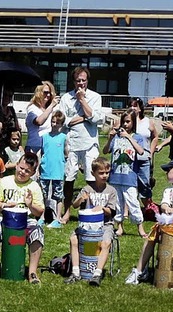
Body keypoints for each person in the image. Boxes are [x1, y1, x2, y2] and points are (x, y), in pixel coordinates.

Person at [125, 156, 173, 287]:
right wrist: (168, 209)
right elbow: (164, 206)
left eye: (169, 170)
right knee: (150, 239)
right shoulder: (168, 190)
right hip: (167, 226)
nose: (166, 173)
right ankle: (139, 271)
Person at [0, 152, 44, 283]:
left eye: (27, 171)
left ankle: (32, 272)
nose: (22, 172)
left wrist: (30, 204)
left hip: (26, 219)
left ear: (33, 173)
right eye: (21, 168)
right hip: (3, 217)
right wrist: (5, 205)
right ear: (16, 165)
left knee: (37, 232)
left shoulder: (34, 186)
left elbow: (40, 211)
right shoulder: (4, 181)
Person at [64, 157, 118, 287]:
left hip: (105, 224)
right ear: (93, 173)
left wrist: (102, 209)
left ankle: (97, 274)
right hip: (86, 225)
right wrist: (81, 199)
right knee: (73, 239)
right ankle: (76, 272)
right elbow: (75, 206)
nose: (104, 175)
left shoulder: (111, 191)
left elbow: (112, 212)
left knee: (105, 243)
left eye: (107, 172)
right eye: (101, 173)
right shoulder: (87, 189)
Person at [59, 67, 103, 225]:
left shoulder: (95, 97)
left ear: (87, 81)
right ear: (74, 81)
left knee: (92, 178)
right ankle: (67, 211)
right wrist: (84, 117)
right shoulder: (66, 98)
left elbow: (96, 118)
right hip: (72, 143)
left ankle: (90, 209)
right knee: (69, 178)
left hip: (90, 143)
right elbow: (64, 120)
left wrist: (83, 101)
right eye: (78, 80)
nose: (81, 83)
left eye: (84, 80)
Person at [103, 109, 147, 237]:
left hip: (129, 177)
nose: (125, 124)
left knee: (133, 202)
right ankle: (119, 226)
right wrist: (110, 137)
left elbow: (141, 151)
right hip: (115, 176)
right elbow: (106, 151)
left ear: (133, 122)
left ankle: (140, 227)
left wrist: (128, 137)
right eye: (124, 122)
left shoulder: (137, 137)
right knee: (118, 203)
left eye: (128, 122)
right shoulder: (116, 136)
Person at [40, 111, 68, 228]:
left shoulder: (63, 137)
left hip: (58, 171)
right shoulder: (44, 137)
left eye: (57, 122)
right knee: (43, 194)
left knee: (58, 195)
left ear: (62, 124)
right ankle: (42, 217)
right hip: (45, 170)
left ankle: (57, 218)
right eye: (53, 121)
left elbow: (66, 152)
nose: (54, 124)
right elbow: (41, 152)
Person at [130, 96, 159, 207]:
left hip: (144, 157)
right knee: (130, 183)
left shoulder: (148, 122)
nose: (133, 108)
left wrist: (151, 152)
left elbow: (155, 137)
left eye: (135, 106)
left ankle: (148, 208)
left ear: (140, 108)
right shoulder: (127, 121)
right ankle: (127, 211)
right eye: (130, 106)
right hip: (130, 157)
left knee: (145, 183)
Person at [25, 81, 59, 154]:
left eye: (50, 93)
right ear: (39, 92)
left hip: (48, 143)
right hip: (35, 145)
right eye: (45, 92)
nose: (48, 95)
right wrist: (51, 106)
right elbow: (39, 121)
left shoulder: (50, 108)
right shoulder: (32, 108)